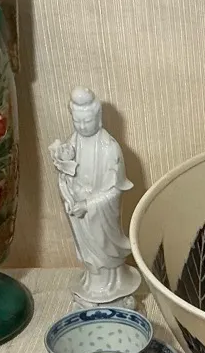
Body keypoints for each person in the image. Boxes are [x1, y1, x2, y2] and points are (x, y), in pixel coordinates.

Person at [50, 88, 140, 306]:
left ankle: (112, 284)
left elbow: (115, 190)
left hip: (99, 215)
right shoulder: (71, 144)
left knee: (104, 247)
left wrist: (88, 204)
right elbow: (66, 179)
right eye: (77, 121)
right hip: (81, 214)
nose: (82, 126)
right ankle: (94, 281)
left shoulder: (110, 148)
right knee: (89, 255)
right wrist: (67, 189)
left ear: (98, 118)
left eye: (87, 121)